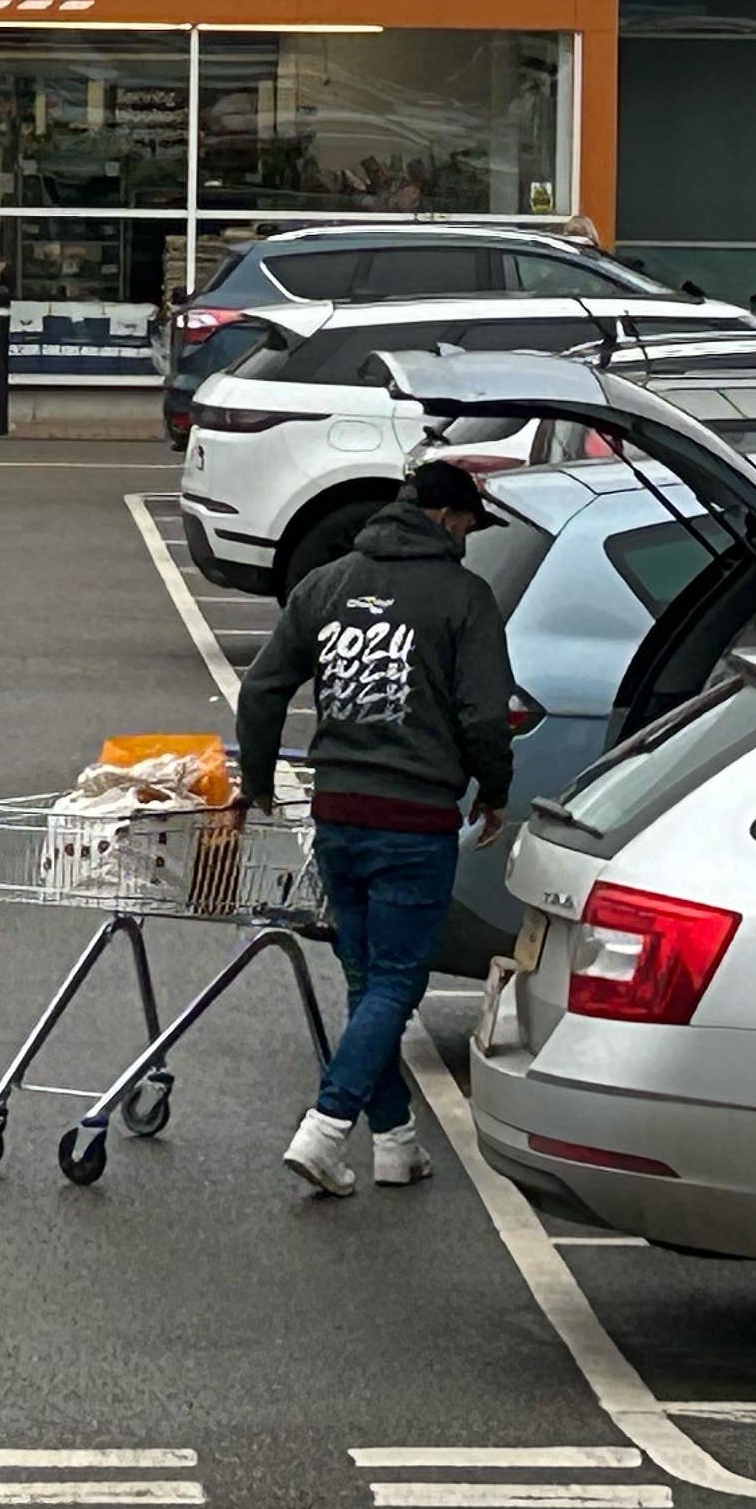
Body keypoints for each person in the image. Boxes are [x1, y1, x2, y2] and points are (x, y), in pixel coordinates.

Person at [233, 457, 516, 1198]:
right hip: (415, 818)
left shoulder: (325, 584)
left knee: (367, 983)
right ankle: (325, 1129)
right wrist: (495, 789)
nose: (467, 536)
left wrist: (259, 782)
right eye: (467, 524)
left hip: (338, 812)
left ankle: (395, 1145)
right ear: (449, 519)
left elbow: (263, 687)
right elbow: (485, 714)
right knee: (395, 981)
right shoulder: (465, 598)